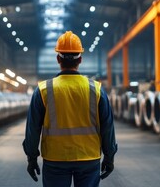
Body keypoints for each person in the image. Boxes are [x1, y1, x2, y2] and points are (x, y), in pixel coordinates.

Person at [23, 31, 118, 187]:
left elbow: (33, 129)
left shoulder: (43, 90)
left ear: (58, 59)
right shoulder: (96, 89)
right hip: (89, 158)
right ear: (80, 59)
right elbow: (108, 127)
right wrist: (109, 157)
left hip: (55, 159)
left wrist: (31, 158)